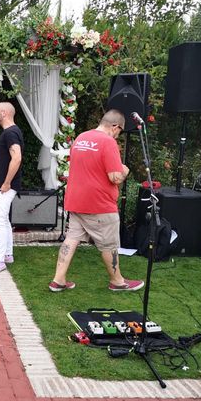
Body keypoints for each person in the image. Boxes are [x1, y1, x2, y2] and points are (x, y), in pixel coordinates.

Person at [49, 109, 144, 292]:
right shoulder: (108, 142)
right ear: (115, 127)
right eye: (120, 132)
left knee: (71, 238)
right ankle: (117, 281)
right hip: (99, 204)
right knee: (109, 244)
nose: (118, 136)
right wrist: (125, 170)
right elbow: (115, 177)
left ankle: (58, 279)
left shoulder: (81, 138)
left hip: (76, 200)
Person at [0, 102, 23, 274]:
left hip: (5, 186)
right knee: (4, 220)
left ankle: (0, 261)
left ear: (3, 113)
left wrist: (7, 182)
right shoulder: (12, 132)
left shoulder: (10, 133)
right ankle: (7, 254)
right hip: (5, 186)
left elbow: (16, 158)